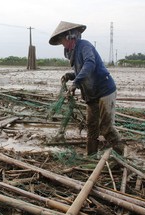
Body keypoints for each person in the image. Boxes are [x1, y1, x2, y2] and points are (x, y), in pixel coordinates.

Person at [49, 21, 123, 155]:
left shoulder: (84, 46)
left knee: (106, 128)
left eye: (62, 40)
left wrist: (76, 82)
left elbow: (89, 64)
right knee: (92, 128)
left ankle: (120, 155)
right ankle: (91, 156)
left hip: (104, 91)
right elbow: (81, 71)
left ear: (70, 36)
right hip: (91, 95)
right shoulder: (71, 52)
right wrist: (70, 76)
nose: (62, 44)